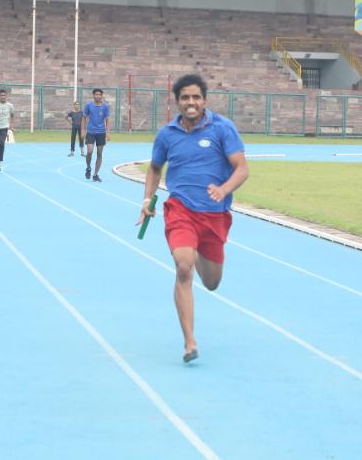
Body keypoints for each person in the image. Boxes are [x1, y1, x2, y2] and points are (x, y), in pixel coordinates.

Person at [137, 74, 249, 364]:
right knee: (183, 267)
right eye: (185, 97)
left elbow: (242, 169)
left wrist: (224, 189)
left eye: (196, 97)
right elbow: (154, 169)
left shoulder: (223, 129)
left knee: (211, 282)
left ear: (204, 100)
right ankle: (189, 341)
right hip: (181, 210)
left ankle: (197, 248)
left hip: (214, 215)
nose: (191, 102)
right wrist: (147, 200)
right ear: (177, 101)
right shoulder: (167, 135)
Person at [81, 88, 112, 182]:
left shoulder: (105, 106)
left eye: (99, 94)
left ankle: (95, 174)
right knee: (89, 151)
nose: (98, 96)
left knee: (99, 154)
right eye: (96, 94)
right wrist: (83, 130)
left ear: (101, 96)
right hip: (90, 132)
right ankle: (88, 167)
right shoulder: (88, 105)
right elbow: (84, 118)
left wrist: (108, 132)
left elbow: (107, 119)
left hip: (101, 133)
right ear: (93, 95)